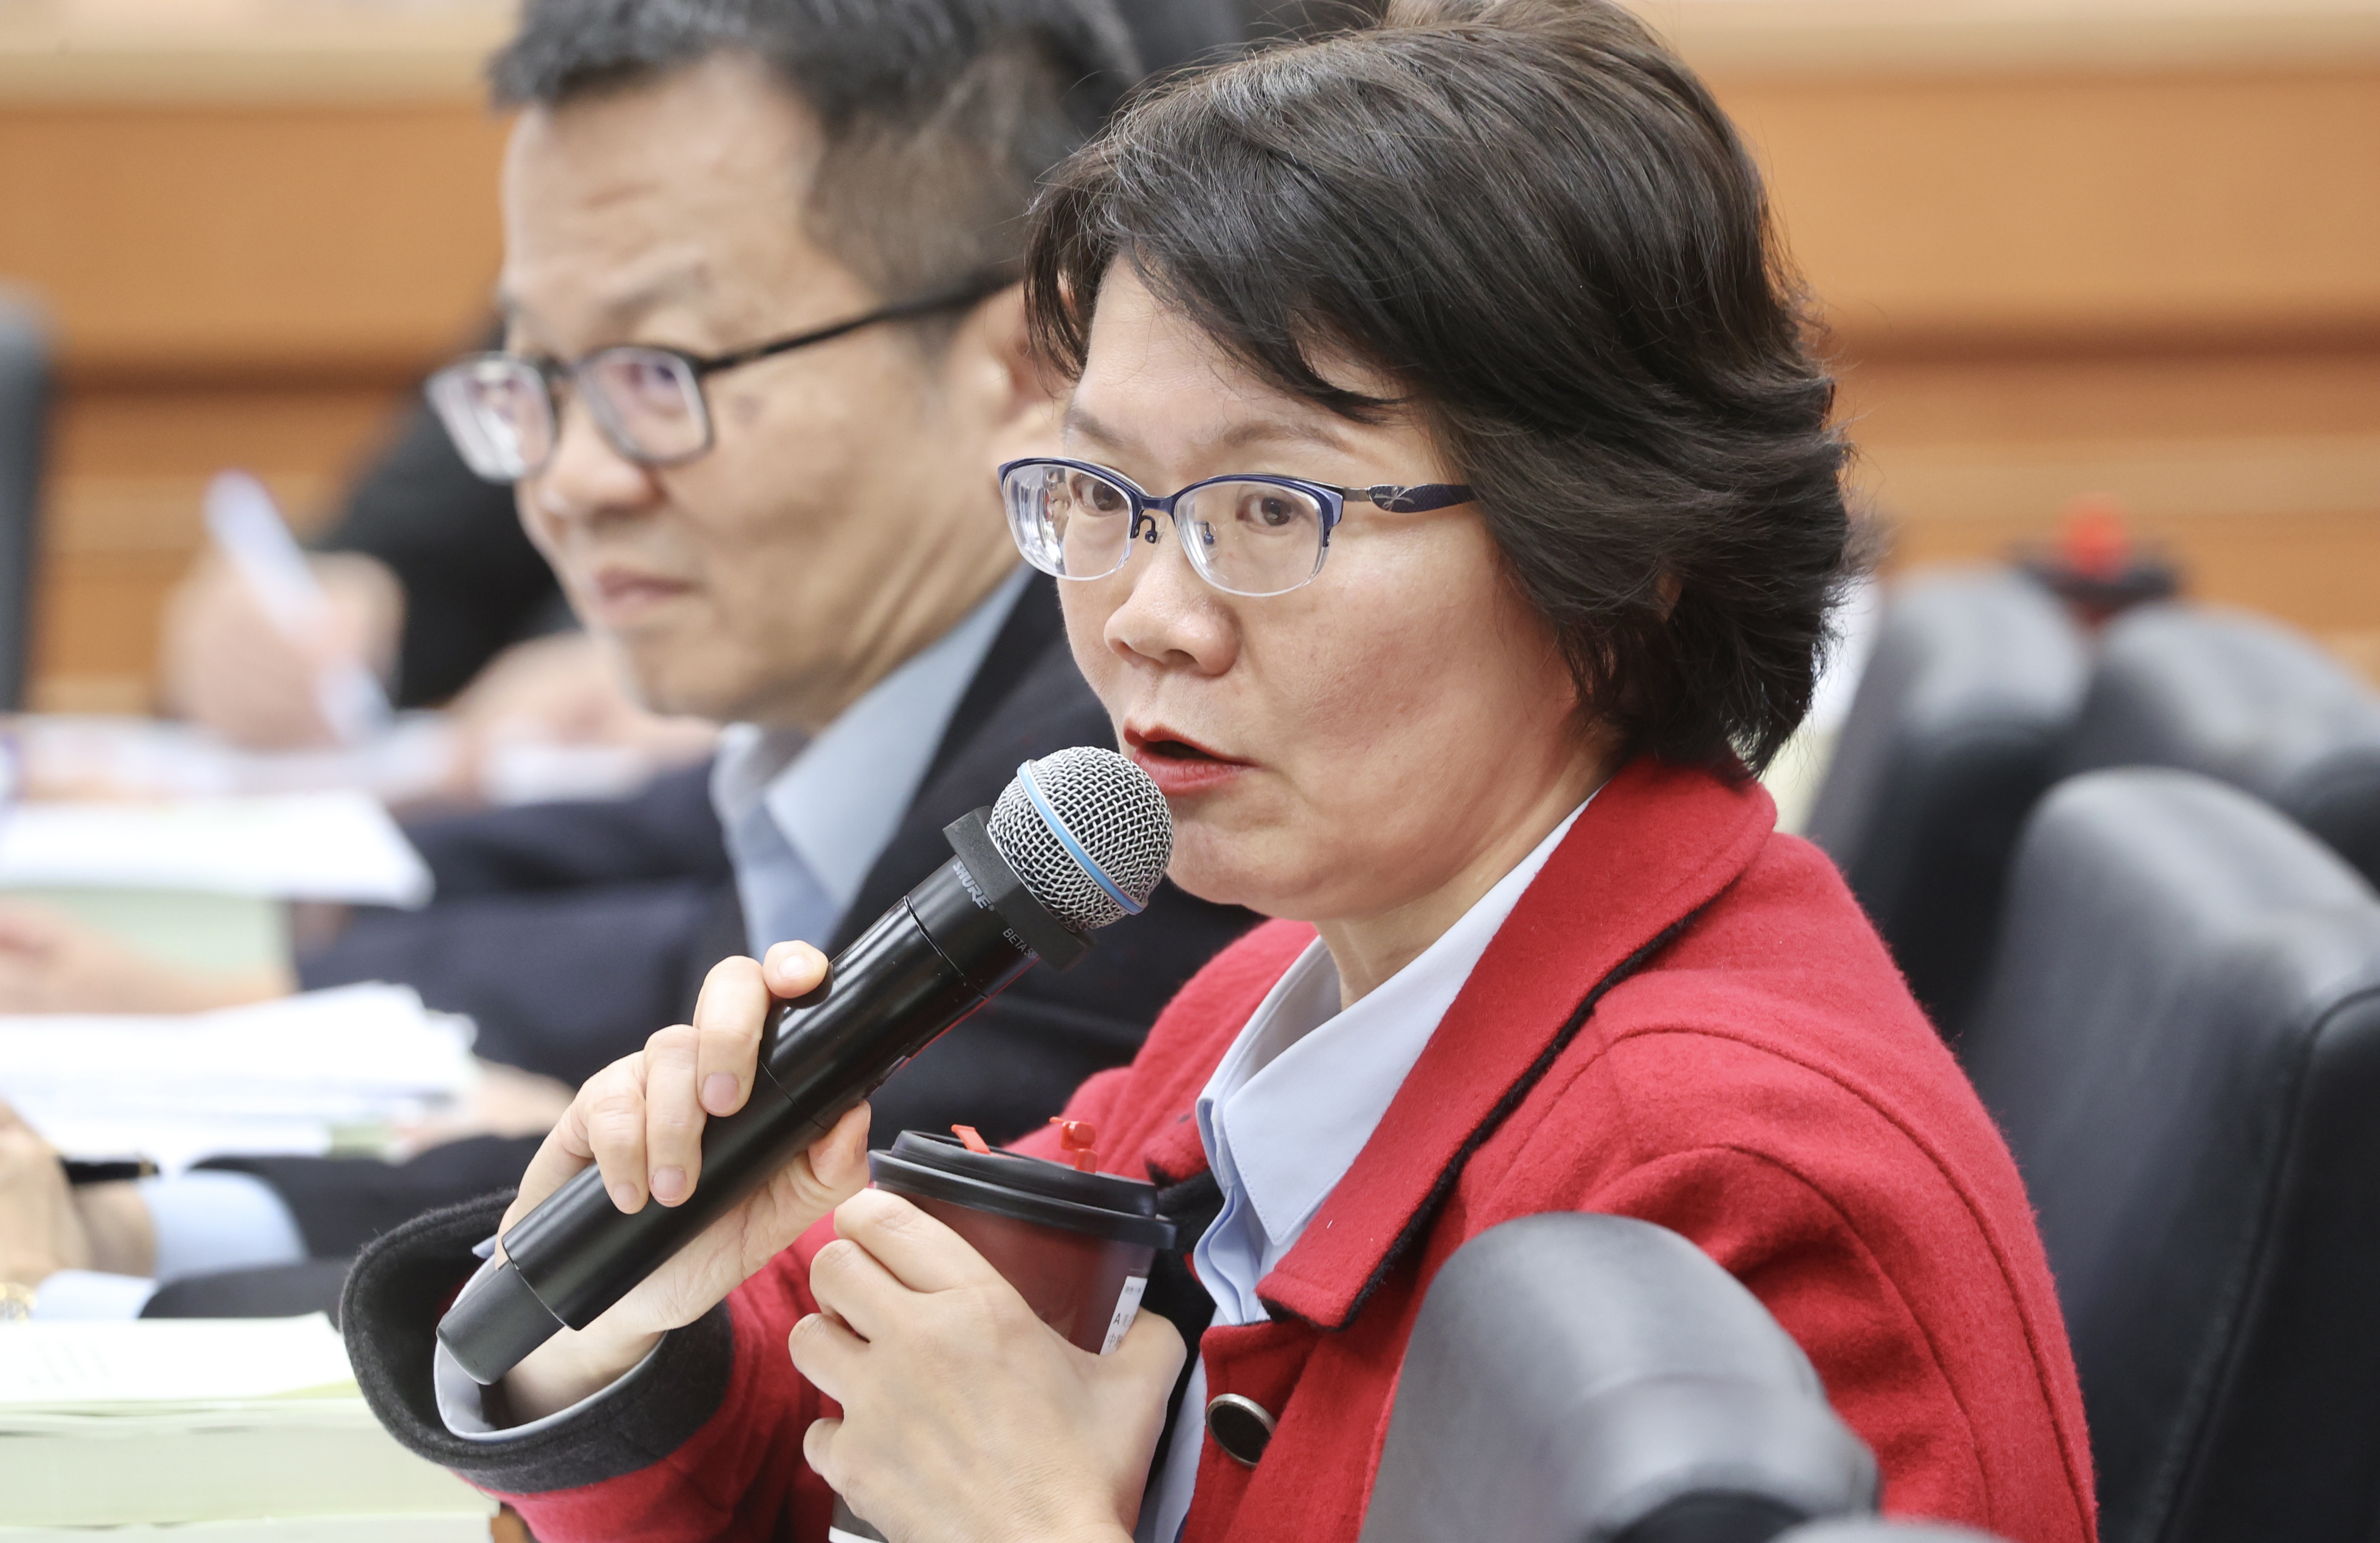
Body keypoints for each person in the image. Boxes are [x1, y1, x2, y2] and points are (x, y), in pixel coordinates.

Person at [340, 4, 2097, 1542]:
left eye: (1269, 510)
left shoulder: (1729, 1187)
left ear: (1622, 558)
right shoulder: (1282, 988)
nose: (1146, 620)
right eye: (1101, 498)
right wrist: (618, 1330)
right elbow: (823, 1454)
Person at [0, 0, 1255, 1320]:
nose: (571, 481)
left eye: (661, 373)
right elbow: (659, 1008)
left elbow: (759, 1262)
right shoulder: (855, 707)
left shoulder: (1115, 788)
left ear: (1019, 365)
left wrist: (110, 1244)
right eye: (536, 378)